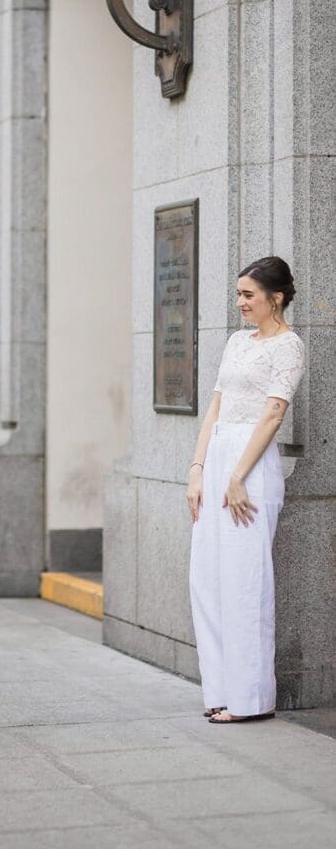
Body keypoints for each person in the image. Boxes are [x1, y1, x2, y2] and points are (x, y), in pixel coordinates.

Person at [187, 256, 305, 724]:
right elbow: (215, 406)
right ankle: (220, 690)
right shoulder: (237, 341)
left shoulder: (289, 346)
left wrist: (238, 475)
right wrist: (198, 470)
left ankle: (253, 698)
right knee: (208, 579)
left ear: (275, 298)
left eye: (248, 294)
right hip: (218, 456)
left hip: (251, 466)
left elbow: (273, 414)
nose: (240, 302)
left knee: (245, 582)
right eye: (238, 294)